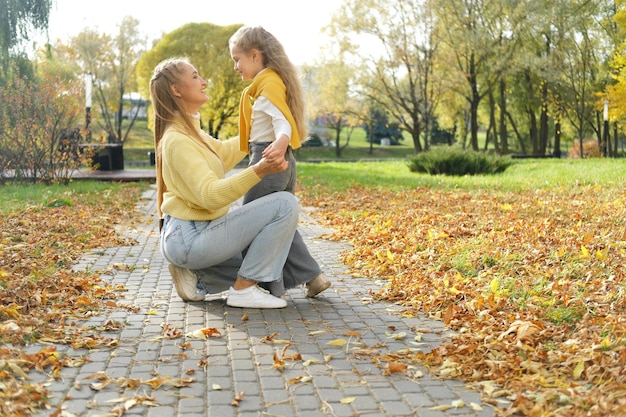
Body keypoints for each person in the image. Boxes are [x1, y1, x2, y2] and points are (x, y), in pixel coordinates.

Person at [150, 56, 300, 309]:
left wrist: (261, 125)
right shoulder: (177, 139)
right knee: (285, 205)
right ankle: (242, 290)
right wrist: (260, 169)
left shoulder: (191, 132)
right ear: (176, 90)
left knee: (265, 258)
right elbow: (211, 195)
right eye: (195, 76)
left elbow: (226, 152)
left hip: (193, 237)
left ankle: (199, 279)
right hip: (190, 239)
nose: (204, 81)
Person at [229, 25, 331, 298]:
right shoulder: (269, 82)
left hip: (269, 159)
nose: (236, 66)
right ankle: (312, 277)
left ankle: (266, 287)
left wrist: (281, 141)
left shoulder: (267, 84)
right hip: (279, 159)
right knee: (278, 223)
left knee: (251, 223)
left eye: (237, 59)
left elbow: (281, 121)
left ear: (254, 55)